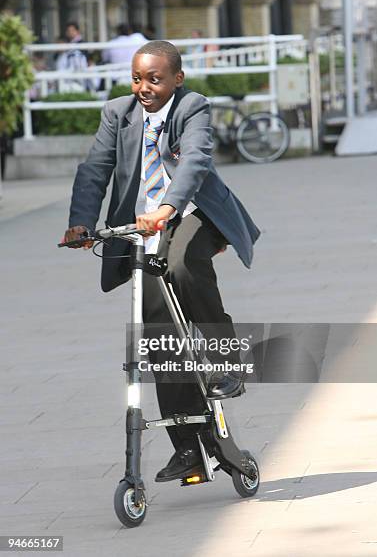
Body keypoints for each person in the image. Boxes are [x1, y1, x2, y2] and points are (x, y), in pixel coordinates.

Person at [62, 40, 260, 482]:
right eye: (137, 78)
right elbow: (96, 168)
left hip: (190, 213)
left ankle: (227, 365)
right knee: (157, 328)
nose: (144, 87)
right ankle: (189, 446)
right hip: (142, 226)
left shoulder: (193, 108)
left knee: (184, 267)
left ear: (177, 78)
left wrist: (167, 208)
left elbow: (194, 162)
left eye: (154, 79)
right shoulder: (118, 113)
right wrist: (80, 223)